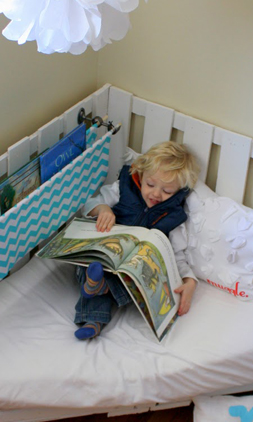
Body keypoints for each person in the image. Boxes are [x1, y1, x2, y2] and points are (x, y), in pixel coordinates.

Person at [74, 141, 200, 339]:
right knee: (88, 264)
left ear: (179, 191)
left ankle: (97, 310)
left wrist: (189, 280)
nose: (157, 194)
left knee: (133, 284)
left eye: (167, 191)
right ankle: (94, 316)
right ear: (141, 175)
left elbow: (177, 255)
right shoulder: (123, 188)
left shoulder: (174, 216)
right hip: (107, 251)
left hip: (134, 268)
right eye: (150, 184)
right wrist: (102, 209)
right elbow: (89, 204)